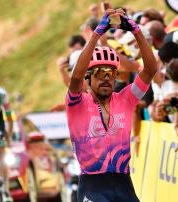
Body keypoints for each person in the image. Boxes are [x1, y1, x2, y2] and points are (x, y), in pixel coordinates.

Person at [65, 8, 156, 202]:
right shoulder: (77, 103)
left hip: (124, 184)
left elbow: (150, 69)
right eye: (99, 73)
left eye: (111, 73)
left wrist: (136, 31)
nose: (106, 78)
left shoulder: (125, 99)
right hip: (92, 186)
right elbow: (76, 77)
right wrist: (96, 34)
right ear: (89, 77)